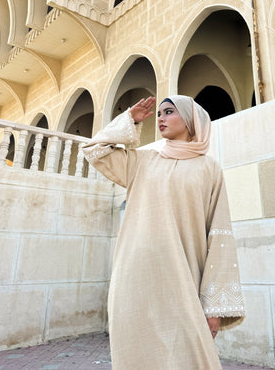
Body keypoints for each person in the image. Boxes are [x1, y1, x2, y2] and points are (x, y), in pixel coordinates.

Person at [82, 95, 245, 370]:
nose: (160, 118)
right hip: (135, 279)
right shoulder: (142, 161)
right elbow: (94, 150)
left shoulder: (209, 169)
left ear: (191, 119)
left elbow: (219, 238)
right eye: (159, 113)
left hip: (183, 279)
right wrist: (129, 120)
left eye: (169, 112)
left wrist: (214, 307)